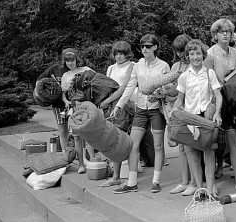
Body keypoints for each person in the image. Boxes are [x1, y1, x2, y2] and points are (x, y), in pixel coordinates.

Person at [112, 34, 171, 194]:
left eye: (148, 46)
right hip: (141, 108)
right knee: (133, 144)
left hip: (156, 108)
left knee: (158, 145)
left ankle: (156, 181)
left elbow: (168, 86)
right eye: (142, 46)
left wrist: (159, 93)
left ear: (155, 47)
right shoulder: (138, 66)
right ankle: (131, 183)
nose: (144, 48)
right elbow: (130, 86)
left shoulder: (163, 66)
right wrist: (119, 105)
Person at [204, 18, 236, 192]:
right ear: (215, 35)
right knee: (212, 144)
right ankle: (211, 186)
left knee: (235, 143)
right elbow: (207, 81)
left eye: (228, 31)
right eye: (221, 31)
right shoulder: (209, 54)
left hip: (232, 103)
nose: (225, 34)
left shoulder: (235, 53)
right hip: (214, 102)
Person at [174, 39, 223, 197]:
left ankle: (210, 189)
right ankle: (200, 189)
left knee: (208, 152)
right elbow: (180, 99)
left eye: (198, 54)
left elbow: (218, 95)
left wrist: (217, 112)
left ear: (203, 55)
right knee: (192, 153)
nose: (195, 57)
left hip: (206, 117)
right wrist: (175, 112)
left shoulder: (209, 73)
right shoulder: (184, 76)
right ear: (188, 56)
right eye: (192, 54)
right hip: (190, 118)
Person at [161, 34, 198, 196]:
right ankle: (184, 181)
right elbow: (170, 89)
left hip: (190, 108)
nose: (181, 54)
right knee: (181, 148)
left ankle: (194, 182)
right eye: (178, 51)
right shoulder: (175, 66)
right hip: (176, 109)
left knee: (191, 147)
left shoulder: (195, 65)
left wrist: (170, 94)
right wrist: (163, 93)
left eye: (182, 50)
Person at [99, 41, 135, 187]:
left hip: (126, 105)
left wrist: (108, 101)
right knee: (115, 139)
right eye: (116, 53)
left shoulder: (132, 66)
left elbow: (123, 87)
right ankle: (116, 175)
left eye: (121, 53)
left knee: (127, 140)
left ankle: (128, 175)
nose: (119, 56)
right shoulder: (111, 68)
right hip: (111, 106)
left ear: (127, 54)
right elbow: (107, 86)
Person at [60, 48, 94, 174]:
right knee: (77, 136)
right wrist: (66, 102)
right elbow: (63, 94)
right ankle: (81, 164)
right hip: (74, 107)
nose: (70, 63)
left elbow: (95, 82)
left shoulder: (86, 70)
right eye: (67, 61)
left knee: (90, 134)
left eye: (72, 60)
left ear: (76, 60)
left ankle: (92, 161)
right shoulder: (65, 76)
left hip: (87, 106)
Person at [37, 55, 70, 153]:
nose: (69, 62)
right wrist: (39, 94)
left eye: (72, 59)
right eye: (67, 59)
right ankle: (65, 154)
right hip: (58, 105)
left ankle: (80, 155)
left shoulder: (77, 70)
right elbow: (40, 81)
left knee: (77, 132)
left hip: (74, 104)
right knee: (63, 131)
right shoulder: (55, 69)